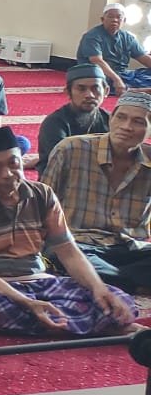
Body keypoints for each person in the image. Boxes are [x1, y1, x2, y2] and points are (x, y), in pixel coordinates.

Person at [0, 126, 137, 337]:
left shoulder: (42, 194)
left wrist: (98, 288)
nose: (7, 174)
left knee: (116, 296)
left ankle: (56, 323)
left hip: (42, 280)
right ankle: (93, 326)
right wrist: (27, 302)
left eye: (13, 163)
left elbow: (68, 252)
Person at [42, 91, 151, 292]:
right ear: (111, 119)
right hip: (77, 244)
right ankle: (130, 282)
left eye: (138, 122)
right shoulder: (71, 149)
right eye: (121, 117)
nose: (126, 127)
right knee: (62, 256)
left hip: (128, 247)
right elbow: (41, 205)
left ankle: (112, 281)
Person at [37, 62, 110, 175]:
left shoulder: (110, 119)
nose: (89, 95)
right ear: (68, 92)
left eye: (95, 88)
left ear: (106, 91)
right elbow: (64, 161)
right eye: (81, 89)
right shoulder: (55, 123)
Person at [77, 1, 151, 93]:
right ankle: (131, 90)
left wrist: (119, 78)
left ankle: (129, 89)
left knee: (146, 73)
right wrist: (117, 80)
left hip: (122, 74)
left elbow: (144, 58)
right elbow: (97, 61)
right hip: (98, 73)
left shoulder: (127, 37)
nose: (115, 20)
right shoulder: (92, 36)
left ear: (124, 21)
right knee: (97, 79)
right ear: (102, 19)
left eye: (119, 17)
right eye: (110, 16)